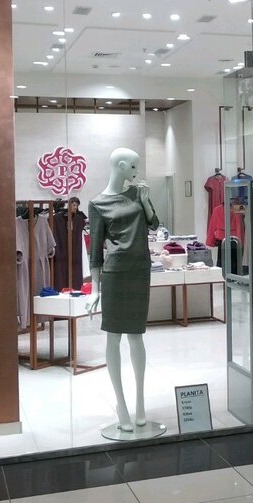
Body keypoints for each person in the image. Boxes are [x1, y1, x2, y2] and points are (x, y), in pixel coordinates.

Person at [86, 148, 159, 431]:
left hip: (140, 271)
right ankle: (121, 404)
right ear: (120, 165)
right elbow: (95, 251)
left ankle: (140, 402)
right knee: (114, 337)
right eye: (133, 167)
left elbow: (154, 224)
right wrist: (95, 290)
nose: (136, 172)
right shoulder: (97, 204)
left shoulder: (137, 194)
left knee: (136, 337)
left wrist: (145, 200)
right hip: (115, 274)